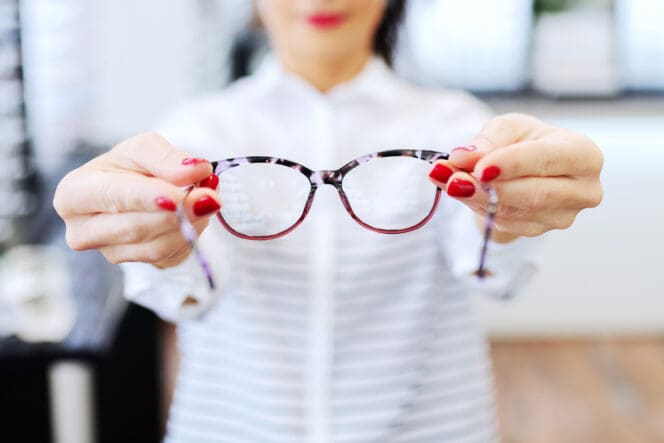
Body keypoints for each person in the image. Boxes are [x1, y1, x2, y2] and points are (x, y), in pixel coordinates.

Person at [53, 1, 604, 442]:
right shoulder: (196, 132)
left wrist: (509, 212)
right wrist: (163, 244)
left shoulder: (456, 126)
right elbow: (190, 294)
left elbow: (491, 273)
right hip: (232, 427)